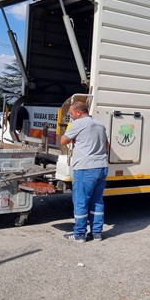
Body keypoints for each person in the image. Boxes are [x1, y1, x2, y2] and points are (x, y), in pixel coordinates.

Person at [60, 101, 109, 242]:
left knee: (80, 201)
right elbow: (107, 146)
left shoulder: (78, 124)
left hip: (85, 167)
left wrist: (70, 130)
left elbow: (63, 140)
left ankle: (79, 234)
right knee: (97, 201)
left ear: (79, 112)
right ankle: (97, 233)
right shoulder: (100, 124)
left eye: (71, 113)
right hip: (101, 167)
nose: (71, 116)